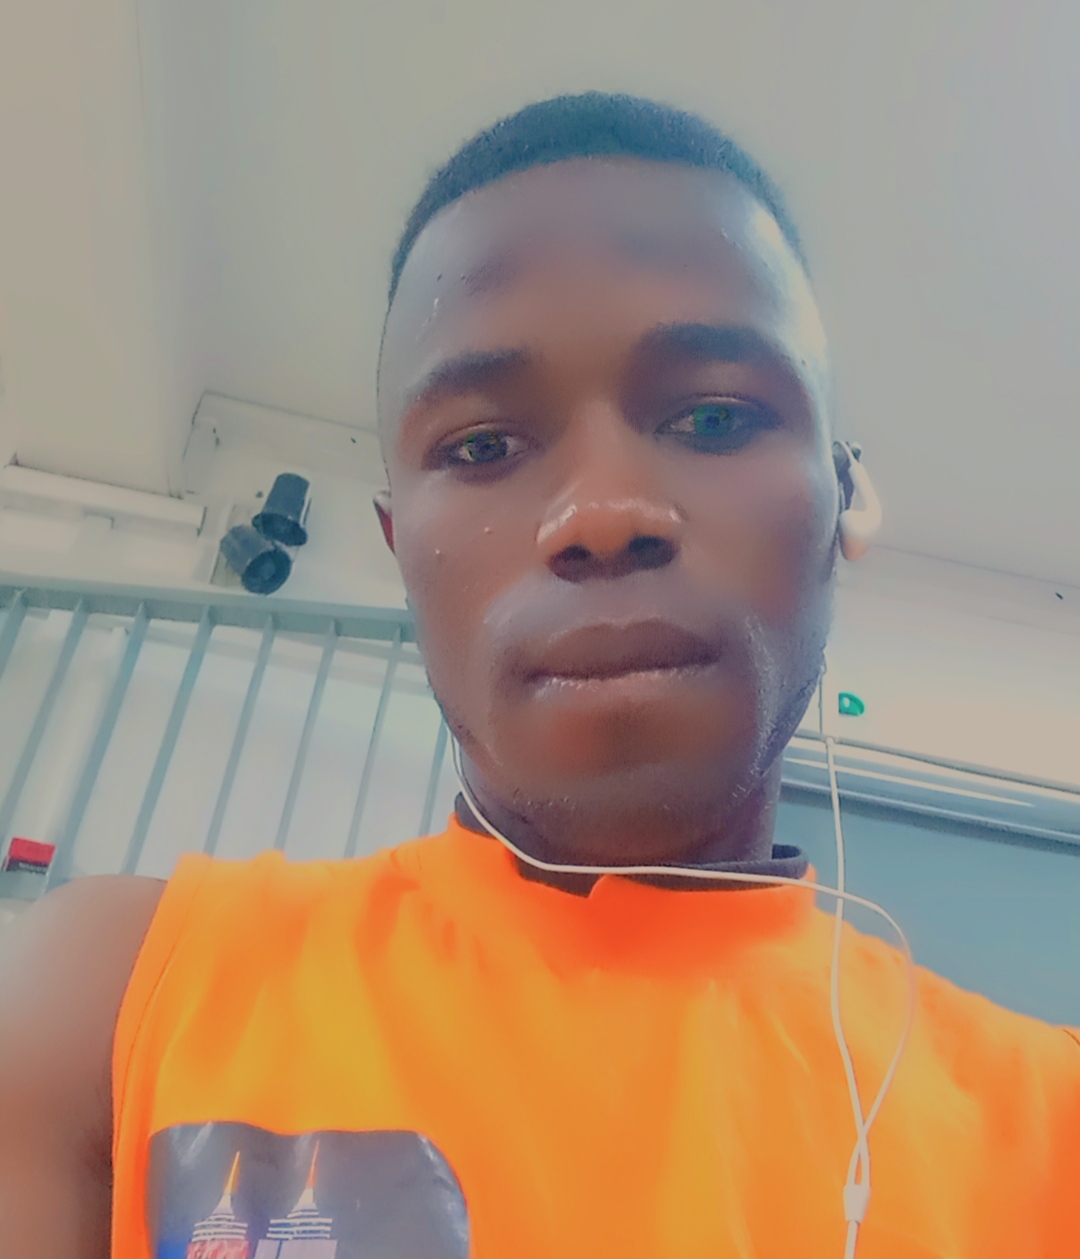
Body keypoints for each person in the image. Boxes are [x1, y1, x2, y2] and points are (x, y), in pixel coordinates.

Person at [0, 92, 1077, 1259]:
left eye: (716, 418)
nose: (604, 511)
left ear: (843, 502)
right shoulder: (112, 994)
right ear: (401, 545)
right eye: (482, 446)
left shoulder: (1050, 1131)